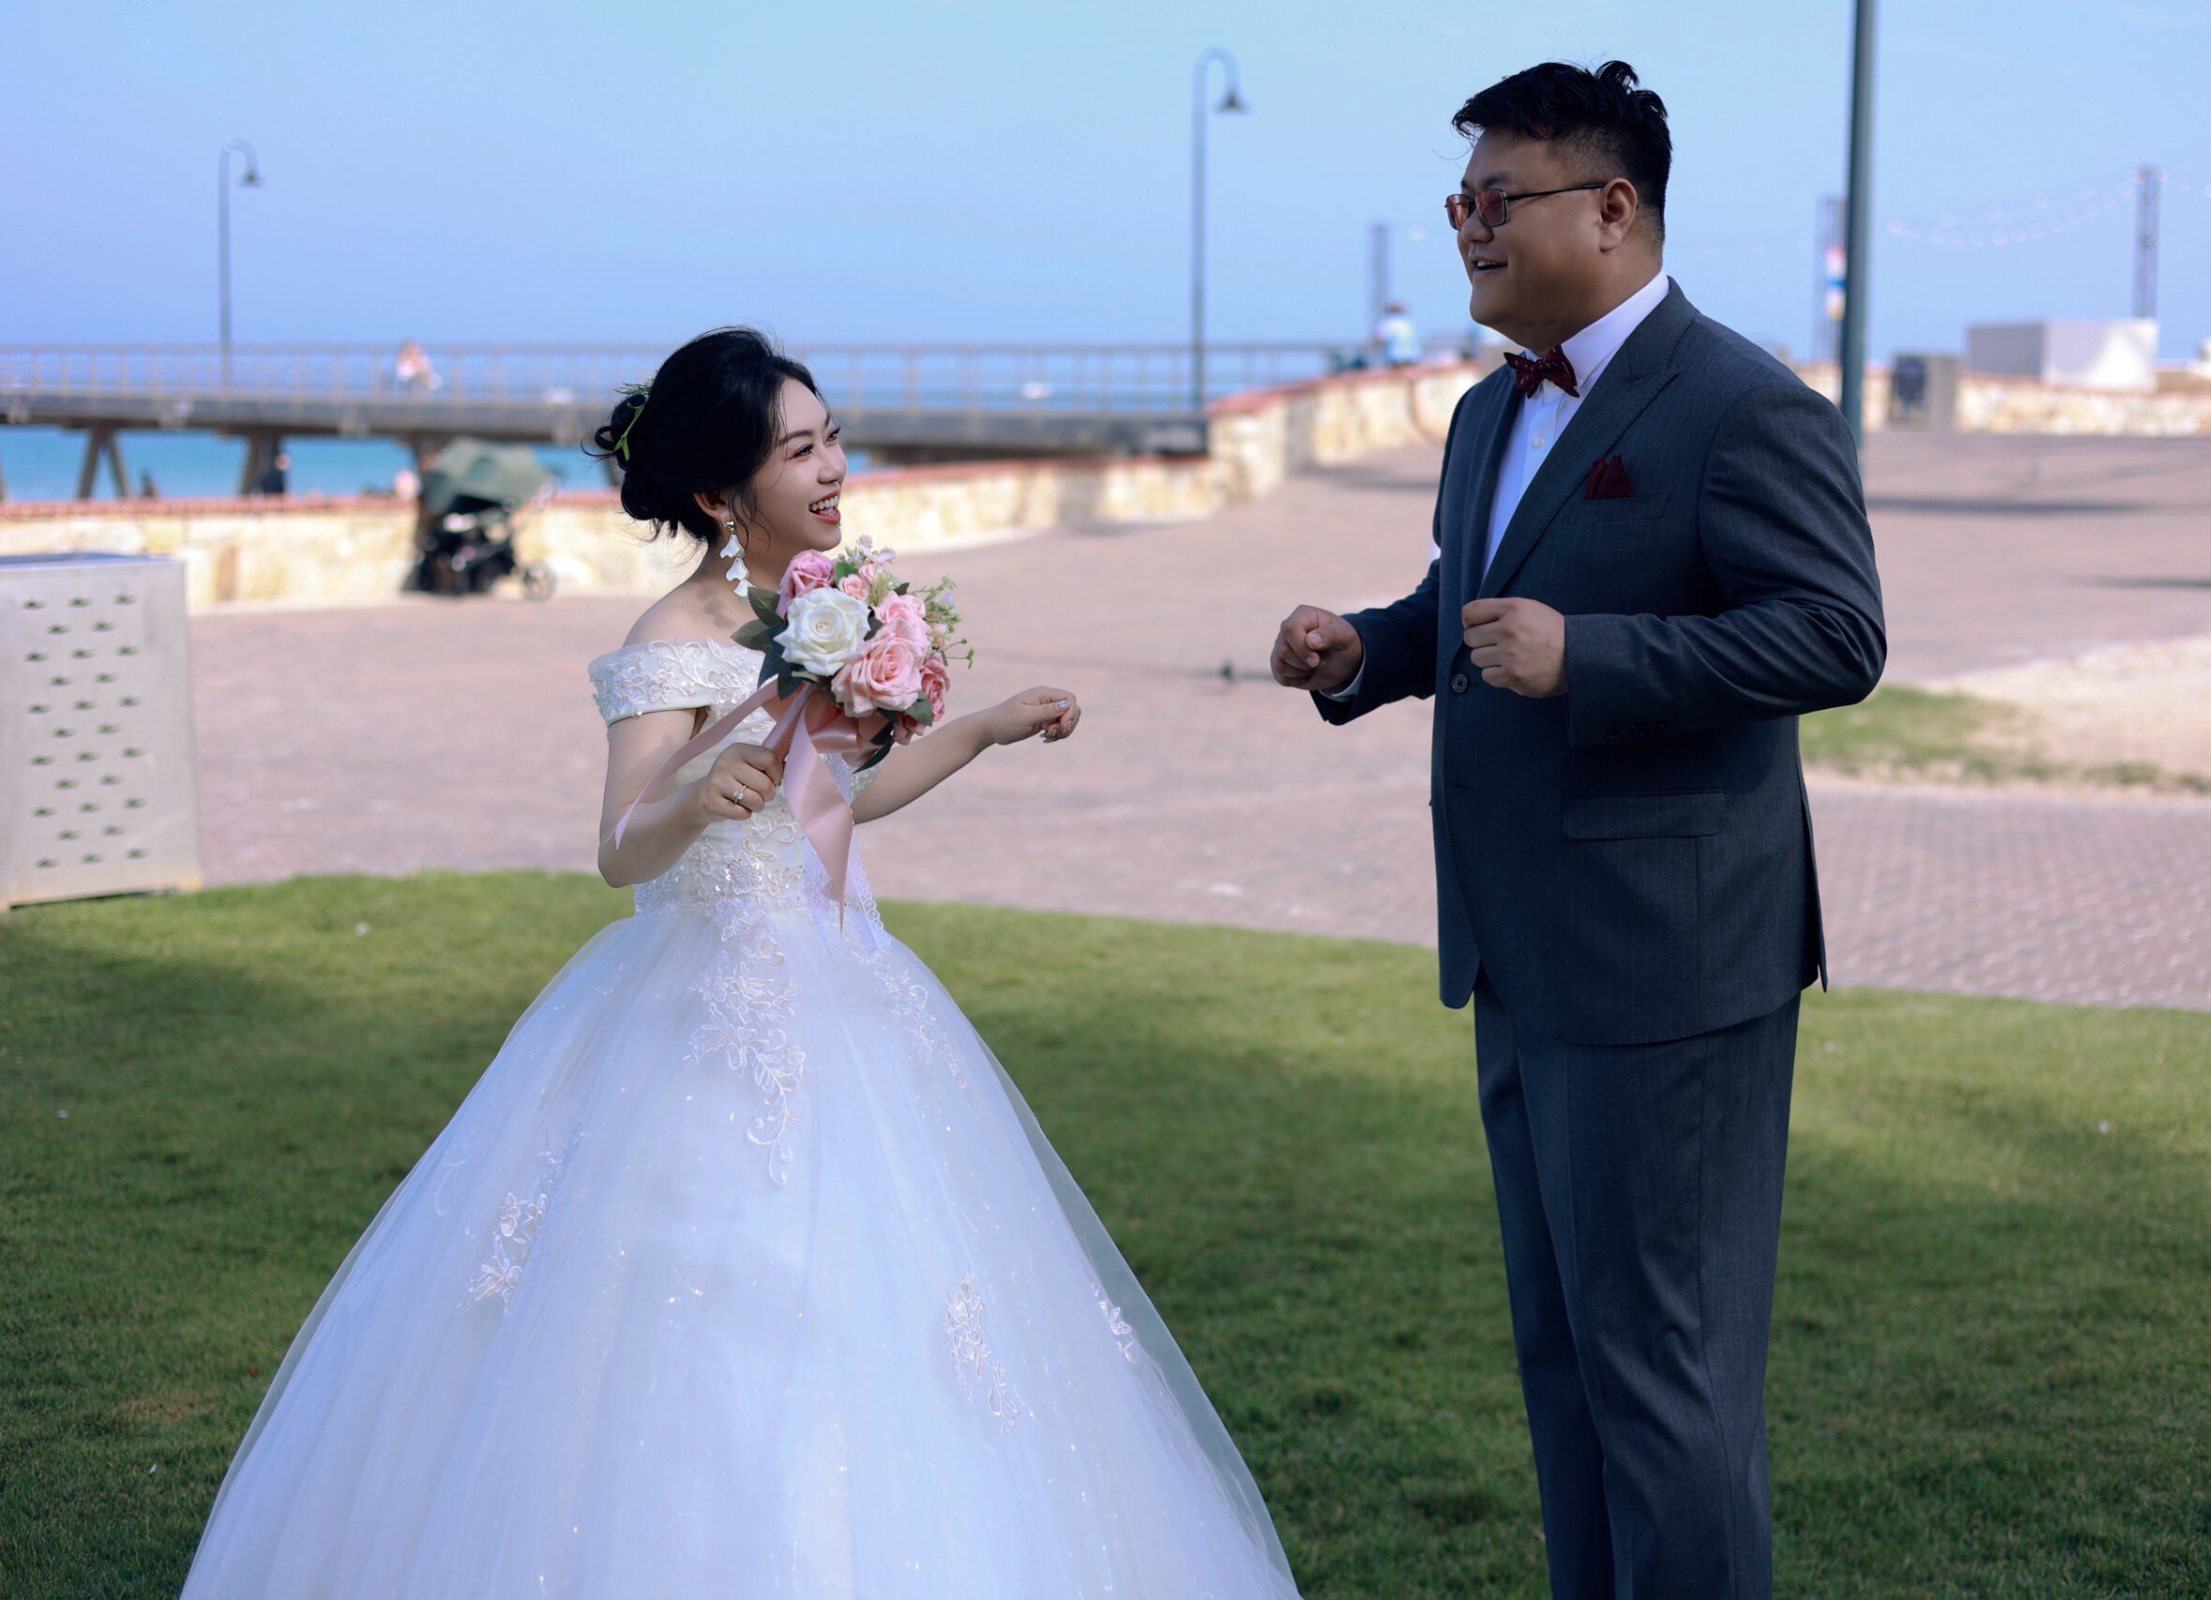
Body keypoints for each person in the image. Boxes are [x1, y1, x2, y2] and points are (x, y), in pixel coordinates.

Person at [180, 328, 1306, 1600]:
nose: (834, 467)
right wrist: (696, 792)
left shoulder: (829, 604)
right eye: (800, 449)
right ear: (720, 494)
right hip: (699, 1002)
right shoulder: (676, 635)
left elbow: (843, 809)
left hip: (849, 985)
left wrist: (983, 727)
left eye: (833, 439)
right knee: (707, 1293)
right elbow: (619, 848)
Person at [1270, 62, 1883, 1599]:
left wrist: (1593, 655)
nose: (1468, 226)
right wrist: (1367, 649)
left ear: (1612, 211)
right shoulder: (1488, 411)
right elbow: (1471, 610)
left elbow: (1835, 636)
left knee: (1668, 1393)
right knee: (1570, 1373)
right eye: (1459, 200)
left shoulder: (1744, 405)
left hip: (1669, 975)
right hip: (1520, 958)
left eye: (1499, 198)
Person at [1377, 299, 1423, 366]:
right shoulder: (1409, 322)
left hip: (1396, 359)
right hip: (1413, 357)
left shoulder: (1388, 323)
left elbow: (1381, 339)